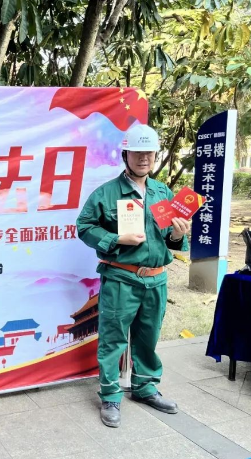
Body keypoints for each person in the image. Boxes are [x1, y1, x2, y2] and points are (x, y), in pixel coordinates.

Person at [76, 124, 191, 428]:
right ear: (125, 154)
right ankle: (110, 395)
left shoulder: (161, 192)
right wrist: (116, 240)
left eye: (149, 153)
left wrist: (178, 235)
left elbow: (168, 237)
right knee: (113, 339)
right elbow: (84, 227)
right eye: (138, 152)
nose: (144, 158)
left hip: (156, 279)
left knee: (148, 337)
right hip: (121, 279)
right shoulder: (106, 193)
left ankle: (145, 387)